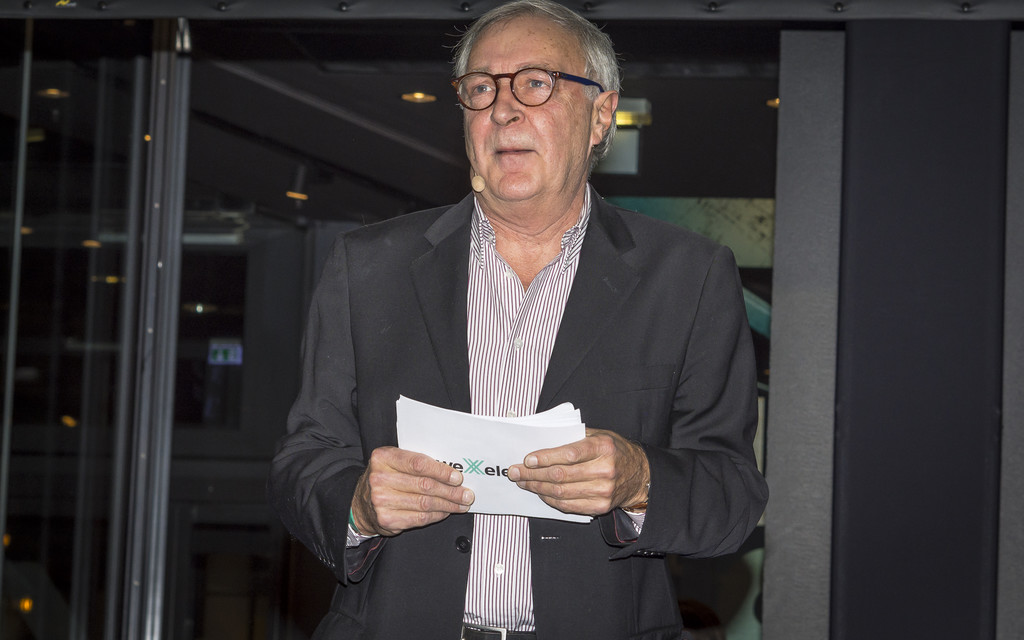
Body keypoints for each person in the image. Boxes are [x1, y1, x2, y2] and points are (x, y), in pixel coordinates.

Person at [267, 1, 768, 638]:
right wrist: (358, 504)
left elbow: (732, 493)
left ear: (602, 115)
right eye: (481, 88)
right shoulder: (368, 267)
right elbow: (302, 461)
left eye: (536, 83)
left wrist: (640, 479)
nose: (503, 109)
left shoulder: (687, 276)